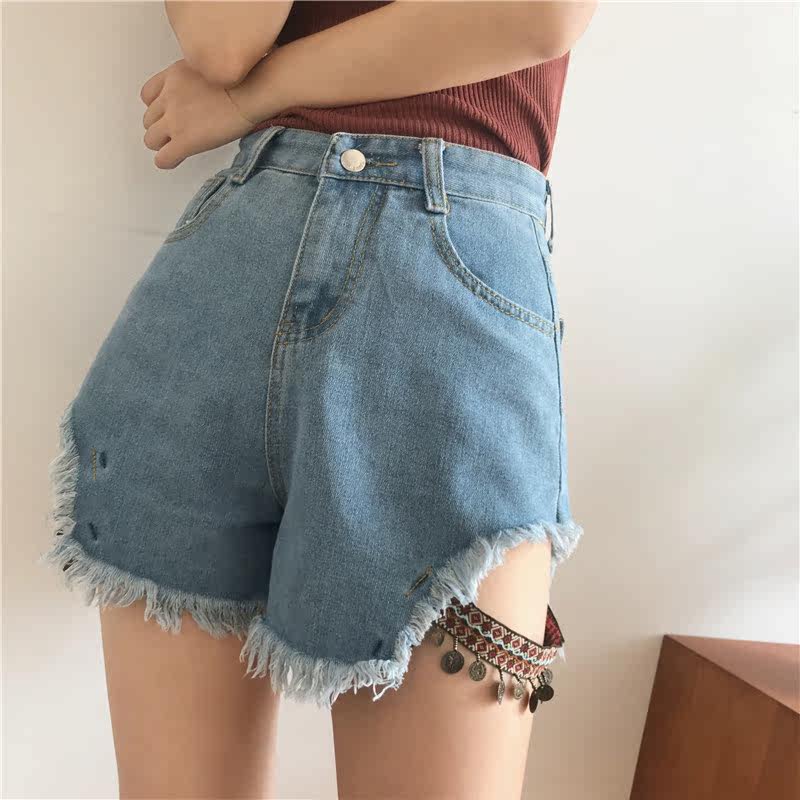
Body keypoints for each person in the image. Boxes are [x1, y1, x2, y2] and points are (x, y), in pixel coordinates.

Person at [42, 2, 597, 797]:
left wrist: (252, 99)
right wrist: (241, 89)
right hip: (228, 281)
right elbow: (221, 42)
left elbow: (535, 15)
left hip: (445, 311)